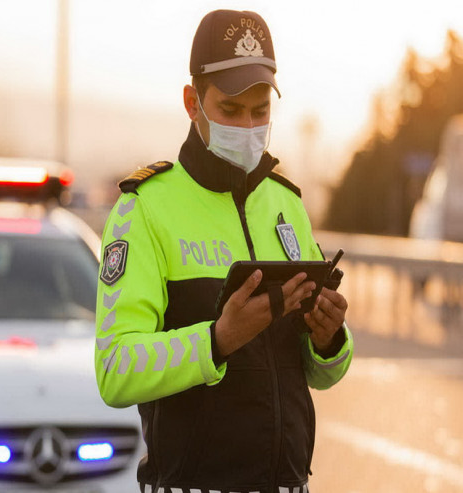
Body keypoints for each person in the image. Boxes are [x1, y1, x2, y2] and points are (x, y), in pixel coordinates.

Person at [95, 9, 353, 493]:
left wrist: (328, 339)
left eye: (260, 111)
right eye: (230, 111)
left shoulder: (286, 203)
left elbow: (319, 375)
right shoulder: (145, 208)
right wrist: (216, 340)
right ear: (192, 102)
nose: (248, 126)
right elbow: (115, 370)